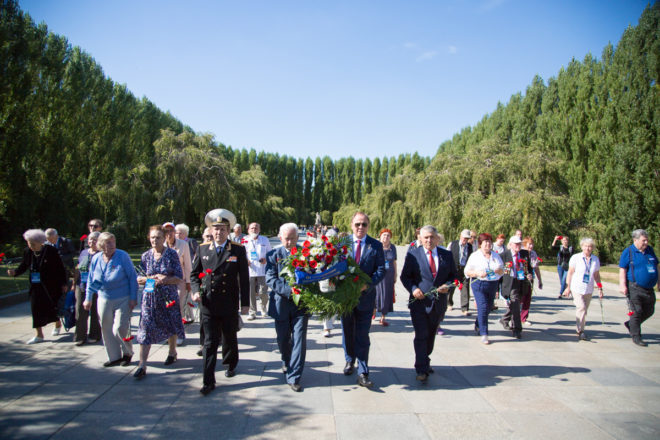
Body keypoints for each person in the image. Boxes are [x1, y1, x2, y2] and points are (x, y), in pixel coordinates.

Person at [191, 209, 249, 396]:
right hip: (208, 303)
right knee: (210, 342)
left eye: (222, 229)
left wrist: (245, 303)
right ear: (211, 230)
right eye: (215, 229)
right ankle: (208, 381)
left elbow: (244, 278)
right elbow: (194, 275)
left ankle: (230, 363)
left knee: (229, 337)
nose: (218, 232)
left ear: (228, 231)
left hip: (229, 302)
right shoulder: (202, 249)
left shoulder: (237, 250)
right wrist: (195, 291)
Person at [400, 225, 456, 382]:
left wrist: (448, 286)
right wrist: (413, 289)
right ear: (421, 239)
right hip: (419, 303)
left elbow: (454, 277)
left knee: (431, 335)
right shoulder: (413, 254)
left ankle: (425, 358)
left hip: (438, 303)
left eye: (432, 237)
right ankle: (421, 368)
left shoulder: (446, 255)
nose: (429, 240)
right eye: (426, 237)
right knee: (421, 335)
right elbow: (405, 277)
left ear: (437, 238)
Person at [134, 226, 186, 379]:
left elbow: (179, 277)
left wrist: (165, 279)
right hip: (150, 297)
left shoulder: (171, 254)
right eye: (152, 237)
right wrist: (148, 279)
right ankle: (142, 364)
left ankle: (172, 352)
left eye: (158, 237)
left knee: (171, 324)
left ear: (164, 239)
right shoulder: (146, 256)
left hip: (168, 296)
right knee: (145, 328)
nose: (155, 240)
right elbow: (139, 276)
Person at [340, 212, 385, 388]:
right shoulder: (342, 244)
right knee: (347, 331)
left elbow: (381, 270)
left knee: (363, 335)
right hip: (345, 298)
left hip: (365, 298)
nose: (360, 227)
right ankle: (349, 360)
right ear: (351, 225)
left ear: (368, 226)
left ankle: (363, 371)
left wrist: (368, 284)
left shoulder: (376, 245)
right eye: (357, 224)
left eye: (364, 224)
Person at [265, 222, 310, 392]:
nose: (289, 242)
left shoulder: (306, 254)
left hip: (301, 306)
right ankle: (286, 359)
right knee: (283, 339)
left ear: (298, 237)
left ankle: (294, 376)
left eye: (293, 238)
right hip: (281, 304)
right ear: (280, 238)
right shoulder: (273, 255)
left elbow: (313, 274)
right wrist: (290, 291)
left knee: (299, 340)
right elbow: (270, 278)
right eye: (286, 239)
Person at [84, 232, 137, 367]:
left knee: (120, 328)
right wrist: (88, 298)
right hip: (104, 298)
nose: (112, 245)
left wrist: (133, 297)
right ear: (101, 244)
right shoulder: (96, 258)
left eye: (113, 242)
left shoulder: (122, 256)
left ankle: (127, 353)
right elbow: (91, 280)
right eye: (108, 242)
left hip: (123, 298)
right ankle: (114, 357)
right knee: (106, 328)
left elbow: (132, 277)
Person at [8, 229, 67, 344]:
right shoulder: (28, 251)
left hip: (51, 285)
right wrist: (15, 272)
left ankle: (57, 323)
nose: (31, 246)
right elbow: (24, 265)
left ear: (41, 242)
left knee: (52, 306)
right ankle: (39, 335)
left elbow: (60, 268)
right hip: (35, 285)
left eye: (33, 244)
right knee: (35, 308)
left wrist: (63, 283)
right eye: (28, 243)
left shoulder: (51, 251)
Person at [619, 229, 658, 347]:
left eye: (647, 240)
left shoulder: (650, 250)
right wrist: (622, 285)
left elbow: (656, 266)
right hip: (634, 287)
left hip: (649, 288)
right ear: (635, 240)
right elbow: (622, 269)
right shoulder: (628, 252)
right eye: (643, 240)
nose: (646, 242)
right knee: (636, 311)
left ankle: (631, 324)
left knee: (650, 310)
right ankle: (636, 336)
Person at [464, 233, 504, 345]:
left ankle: (478, 324)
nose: (488, 244)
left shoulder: (495, 256)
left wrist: (499, 271)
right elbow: (467, 271)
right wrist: (477, 273)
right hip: (479, 284)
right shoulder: (475, 256)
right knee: (482, 307)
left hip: (492, 284)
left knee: (488, 307)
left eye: (489, 242)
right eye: (485, 242)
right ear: (480, 244)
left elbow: (503, 270)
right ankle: (484, 333)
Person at [563, 237, 603, 341]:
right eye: (585, 246)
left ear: (592, 248)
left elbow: (596, 275)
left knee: (584, 310)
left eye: (590, 246)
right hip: (577, 287)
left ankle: (580, 327)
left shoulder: (595, 259)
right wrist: (568, 287)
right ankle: (581, 331)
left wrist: (600, 288)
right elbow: (570, 272)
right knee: (581, 307)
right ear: (582, 247)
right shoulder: (576, 257)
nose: (587, 248)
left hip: (588, 288)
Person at [499, 236, 532, 339]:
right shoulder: (504, 255)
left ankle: (504, 319)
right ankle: (517, 329)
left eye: (519, 244)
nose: (518, 246)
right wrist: (497, 289)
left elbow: (528, 267)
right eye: (516, 244)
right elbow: (501, 273)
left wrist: (529, 274)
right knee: (516, 304)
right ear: (510, 245)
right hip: (510, 283)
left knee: (515, 304)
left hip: (522, 282)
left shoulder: (524, 253)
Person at [163, 222, 193, 332]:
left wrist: (188, 282)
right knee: (166, 307)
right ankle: (169, 332)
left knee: (178, 306)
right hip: (165, 281)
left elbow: (188, 265)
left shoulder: (183, 244)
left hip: (180, 280)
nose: (169, 233)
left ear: (174, 232)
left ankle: (178, 332)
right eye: (166, 231)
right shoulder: (161, 244)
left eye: (171, 231)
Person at [73, 231, 102, 346]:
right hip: (81, 285)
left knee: (95, 311)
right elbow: (78, 268)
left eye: (95, 239)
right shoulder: (83, 252)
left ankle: (95, 335)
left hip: (96, 287)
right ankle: (80, 336)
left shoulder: (101, 254)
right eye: (90, 239)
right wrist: (74, 283)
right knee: (80, 311)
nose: (92, 241)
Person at [245, 222, 272, 320]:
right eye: (252, 228)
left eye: (256, 228)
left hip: (262, 269)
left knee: (263, 291)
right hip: (250, 269)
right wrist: (245, 260)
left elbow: (270, 253)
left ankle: (264, 309)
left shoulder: (265, 240)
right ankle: (252, 312)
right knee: (251, 292)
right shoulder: (245, 240)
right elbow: (241, 253)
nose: (254, 230)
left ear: (259, 230)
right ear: (248, 230)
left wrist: (266, 259)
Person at [195, 227, 215, 357]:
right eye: (207, 236)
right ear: (203, 237)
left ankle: (218, 340)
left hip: (219, 291)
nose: (209, 238)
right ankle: (203, 344)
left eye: (211, 236)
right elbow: (195, 271)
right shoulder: (201, 249)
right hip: (204, 291)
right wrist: (196, 290)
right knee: (204, 320)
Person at [374, 228, 397, 326]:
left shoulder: (393, 247)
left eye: (388, 235)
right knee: (376, 294)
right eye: (384, 235)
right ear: (380, 236)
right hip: (378, 274)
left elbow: (394, 262)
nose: (386, 237)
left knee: (387, 295)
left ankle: (383, 317)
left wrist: (395, 275)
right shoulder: (376, 246)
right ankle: (373, 311)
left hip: (389, 275)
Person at [448, 229, 473, 315]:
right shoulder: (453, 244)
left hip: (464, 269)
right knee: (452, 287)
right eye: (464, 237)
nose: (465, 240)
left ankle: (465, 308)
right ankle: (449, 303)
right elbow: (447, 255)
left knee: (465, 287)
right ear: (460, 236)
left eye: (467, 238)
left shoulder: (470, 247)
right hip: (454, 269)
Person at [520, 237, 543, 327]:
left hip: (530, 278)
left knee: (527, 298)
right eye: (529, 244)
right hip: (521, 278)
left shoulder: (533, 253)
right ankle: (514, 316)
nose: (531, 246)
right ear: (525, 244)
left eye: (532, 244)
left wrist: (540, 280)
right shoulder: (521, 252)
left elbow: (536, 267)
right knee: (520, 298)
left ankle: (523, 318)